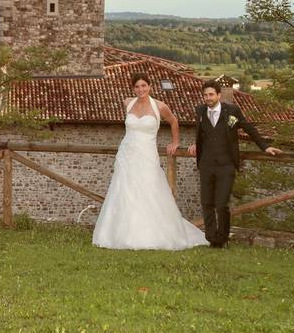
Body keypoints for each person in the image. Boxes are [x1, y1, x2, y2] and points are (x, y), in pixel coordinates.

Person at [92, 74, 208, 250]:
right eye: (137, 87)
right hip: (127, 153)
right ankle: (120, 233)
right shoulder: (127, 103)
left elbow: (174, 121)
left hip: (147, 153)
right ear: (133, 89)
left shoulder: (159, 106)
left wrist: (175, 142)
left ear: (150, 86)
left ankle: (150, 233)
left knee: (148, 190)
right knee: (123, 190)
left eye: (144, 86)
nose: (140, 90)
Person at [171, 80, 282, 248]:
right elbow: (201, 133)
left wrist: (265, 147)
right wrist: (195, 144)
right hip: (206, 163)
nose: (208, 98)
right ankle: (211, 238)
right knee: (207, 202)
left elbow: (248, 128)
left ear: (219, 95)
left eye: (211, 95)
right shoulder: (200, 111)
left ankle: (221, 239)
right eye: (205, 95)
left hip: (226, 165)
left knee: (221, 204)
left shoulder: (232, 111)